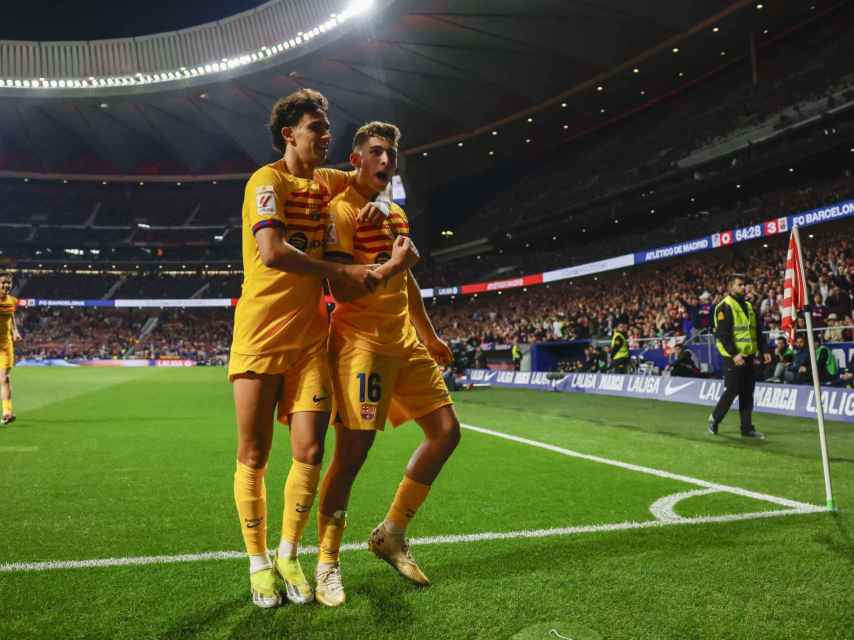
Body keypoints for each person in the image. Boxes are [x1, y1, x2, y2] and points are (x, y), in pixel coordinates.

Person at [228, 89, 407, 609]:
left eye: (328, 128)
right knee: (255, 454)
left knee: (309, 450)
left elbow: (369, 180)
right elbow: (272, 250)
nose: (325, 135)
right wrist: (340, 270)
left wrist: (379, 214)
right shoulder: (268, 181)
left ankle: (289, 553)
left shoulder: (328, 181)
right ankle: (258, 563)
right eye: (315, 127)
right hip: (260, 335)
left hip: (311, 340)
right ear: (289, 134)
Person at [316, 121, 460, 606]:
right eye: (376, 152)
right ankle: (327, 562)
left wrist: (430, 334)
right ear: (355, 159)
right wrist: (395, 266)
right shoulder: (341, 211)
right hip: (362, 345)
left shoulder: (395, 213)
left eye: (391, 155)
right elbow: (339, 287)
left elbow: (408, 283)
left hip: (405, 342)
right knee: (351, 458)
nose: (385, 161)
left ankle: (391, 532)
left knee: (445, 433)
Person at [708, 274, 771, 438]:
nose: (744, 287)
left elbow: (758, 331)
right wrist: (734, 354)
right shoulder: (724, 306)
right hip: (732, 357)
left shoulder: (750, 307)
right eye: (740, 285)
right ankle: (715, 418)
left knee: (747, 393)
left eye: (745, 285)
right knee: (732, 390)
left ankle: (747, 428)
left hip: (749, 356)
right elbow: (723, 334)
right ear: (730, 287)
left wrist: (764, 350)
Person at [0, 272, 21, 425]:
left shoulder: (12, 301)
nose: (6, 285)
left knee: (4, 378)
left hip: (5, 346)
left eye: (8, 283)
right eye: (3, 283)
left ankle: (7, 412)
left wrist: (15, 331)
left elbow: (11, 314)